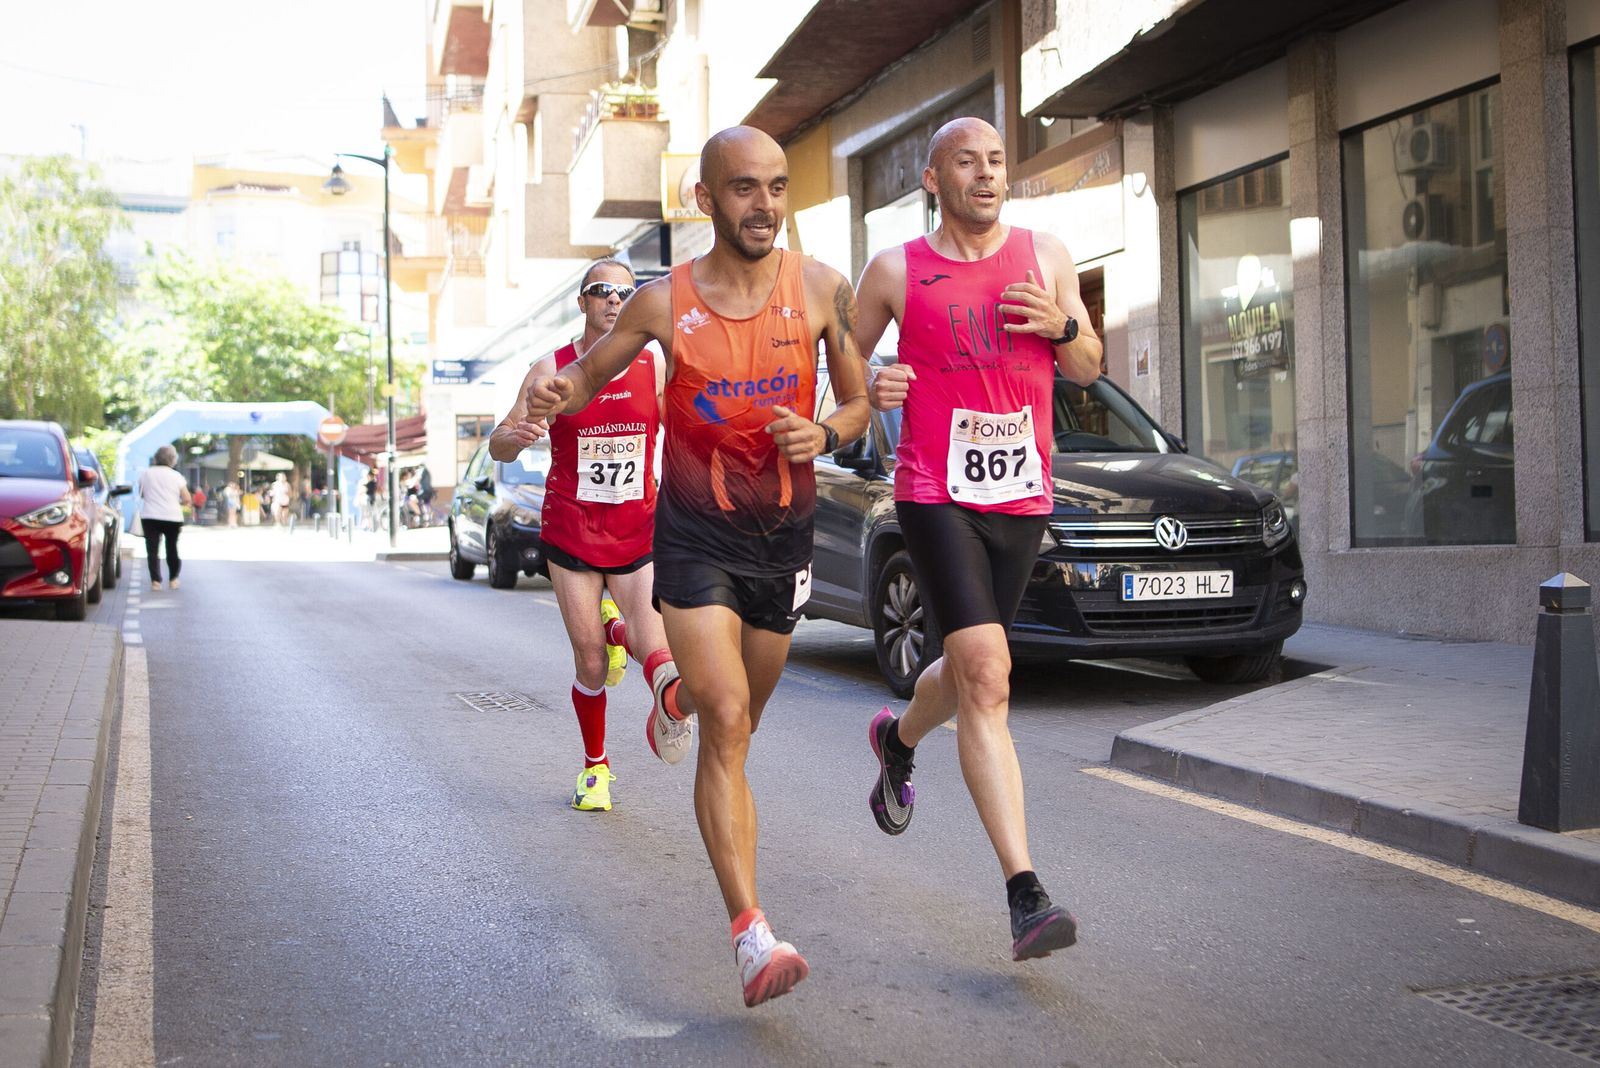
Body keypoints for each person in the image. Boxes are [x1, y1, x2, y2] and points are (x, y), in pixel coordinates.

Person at [524, 126, 870, 1007]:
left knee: (739, 728)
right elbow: (592, 376)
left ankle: (676, 717)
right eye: (745, 188)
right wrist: (549, 394)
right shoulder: (661, 301)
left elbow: (863, 403)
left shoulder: (824, 288)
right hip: (692, 539)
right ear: (706, 200)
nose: (765, 205)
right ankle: (752, 933)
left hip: (782, 542)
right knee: (722, 713)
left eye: (778, 187)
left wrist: (827, 432)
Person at [853, 117, 1103, 963]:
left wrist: (1065, 330)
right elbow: (845, 375)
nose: (988, 175)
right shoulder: (895, 270)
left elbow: (1089, 366)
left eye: (997, 161)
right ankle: (1024, 892)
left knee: (968, 668)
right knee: (989, 675)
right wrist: (873, 384)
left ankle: (898, 738)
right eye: (969, 162)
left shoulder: (1047, 254)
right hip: (935, 492)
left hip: (1021, 494)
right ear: (934, 178)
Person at [492, 259, 697, 814]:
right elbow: (500, 444)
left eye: (626, 293)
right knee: (588, 662)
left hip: (637, 528)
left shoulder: (653, 365)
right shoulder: (551, 368)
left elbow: (683, 431)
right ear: (582, 302)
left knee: (657, 646)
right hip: (572, 529)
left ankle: (671, 706)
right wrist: (516, 434)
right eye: (602, 291)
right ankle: (596, 766)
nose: (614, 300)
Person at [138, 444, 192, 590]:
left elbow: (141, 494)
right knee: (172, 547)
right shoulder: (177, 476)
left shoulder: (146, 474)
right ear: (173, 459)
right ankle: (173, 579)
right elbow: (187, 498)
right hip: (172, 516)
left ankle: (156, 581)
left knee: (152, 550)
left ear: (156, 458)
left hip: (150, 516)